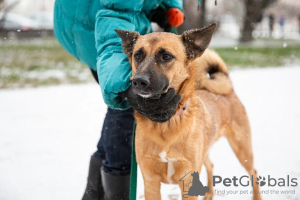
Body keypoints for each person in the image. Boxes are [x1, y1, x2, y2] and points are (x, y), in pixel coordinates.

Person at [53, 1, 184, 200]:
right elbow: (115, 17)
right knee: (124, 112)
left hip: (91, 18)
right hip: (94, 28)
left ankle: (94, 193)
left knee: (121, 113)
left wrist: (168, 7)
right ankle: (115, 195)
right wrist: (125, 86)